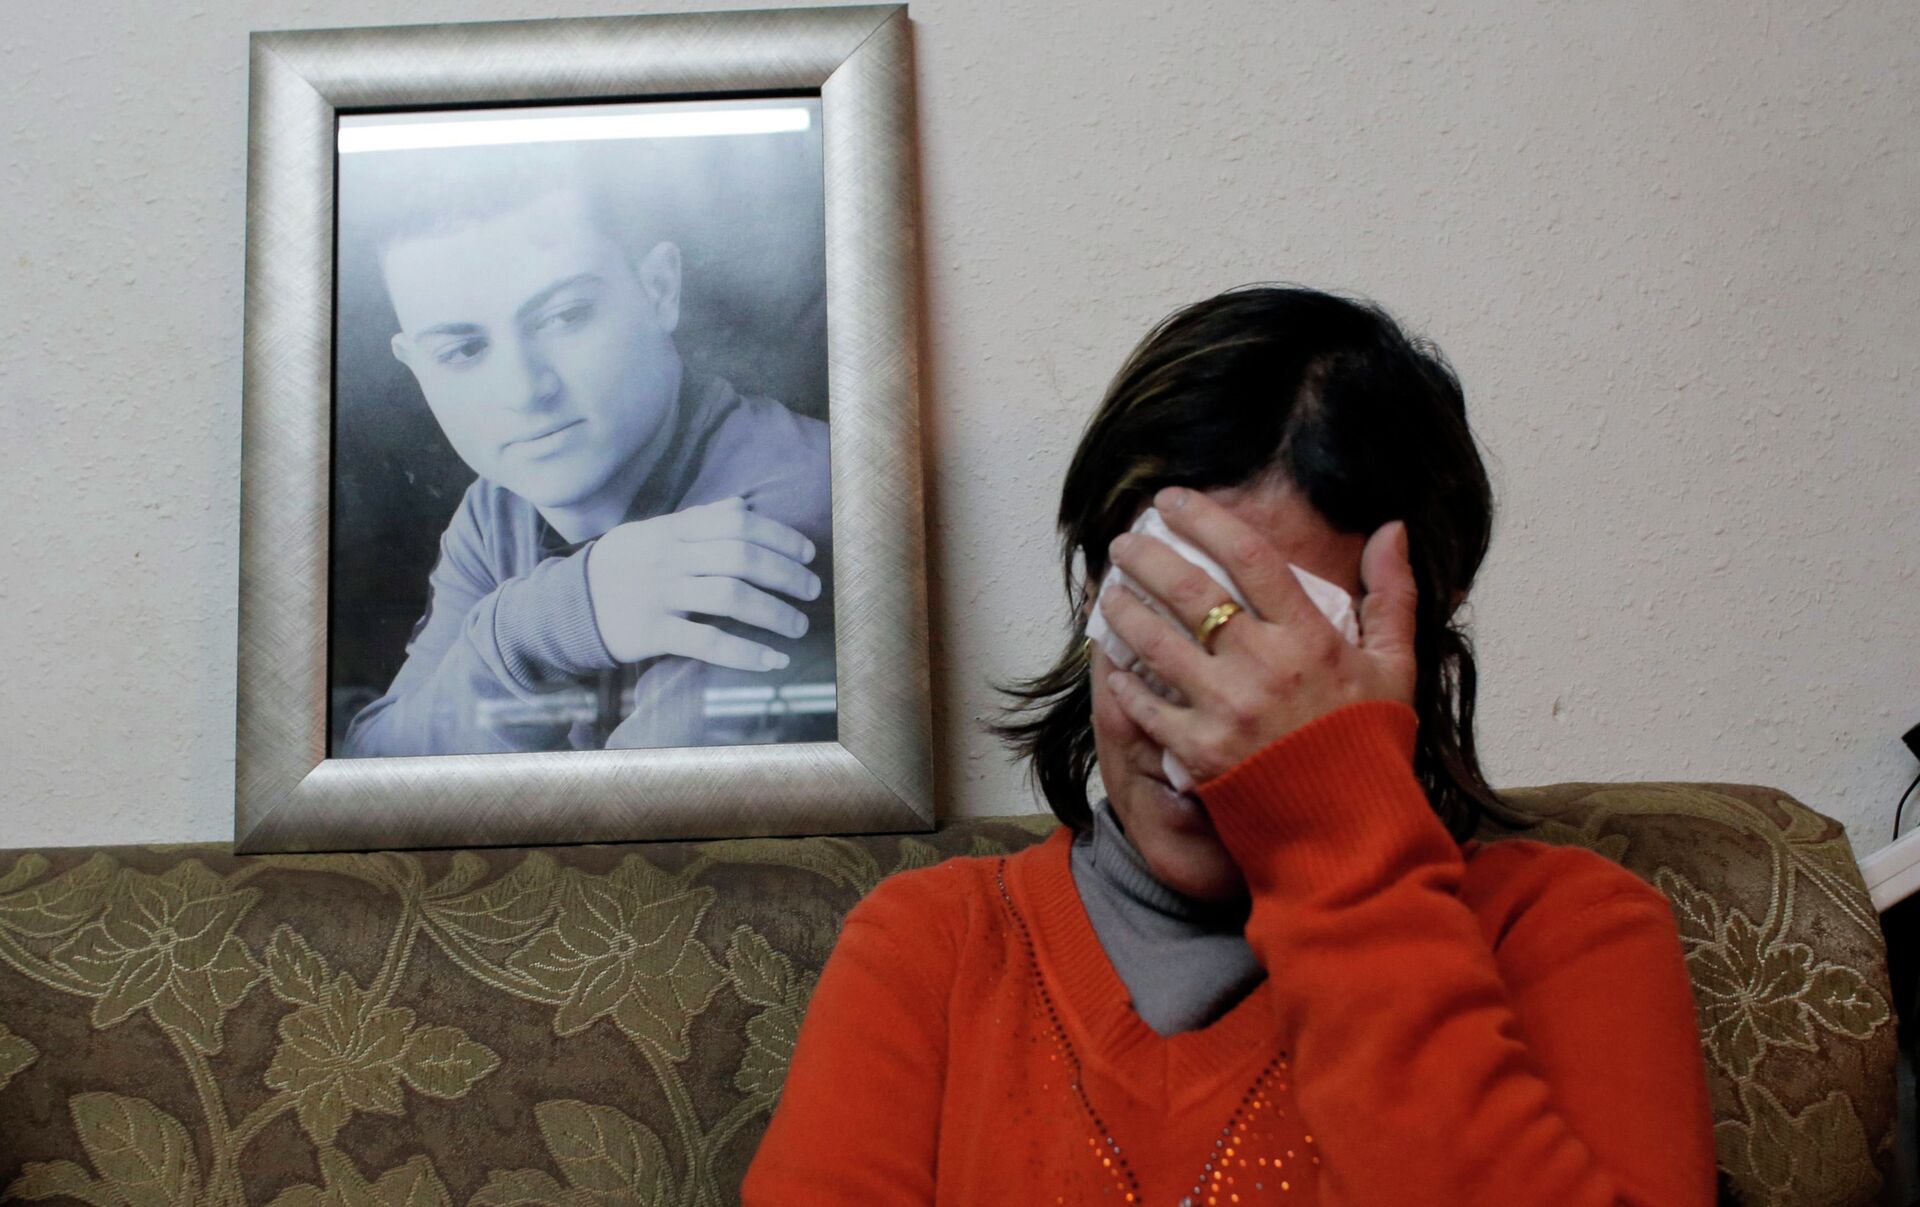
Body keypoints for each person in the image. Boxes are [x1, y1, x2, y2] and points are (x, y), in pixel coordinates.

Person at [741, 286, 1718, 1204]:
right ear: (1092, 597)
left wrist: (1339, 829)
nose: (1201, 746)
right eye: (1161, 635)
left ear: (1414, 638)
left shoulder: (1570, 931)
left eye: (1280, 664)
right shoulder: (934, 945)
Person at [336, 146, 833, 758]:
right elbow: (371, 766)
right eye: (462, 351)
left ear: (659, 290)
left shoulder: (793, 509)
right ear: (416, 368)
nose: (524, 391)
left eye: (565, 317)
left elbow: (642, 817)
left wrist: (528, 639)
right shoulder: (500, 509)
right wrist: (537, 626)